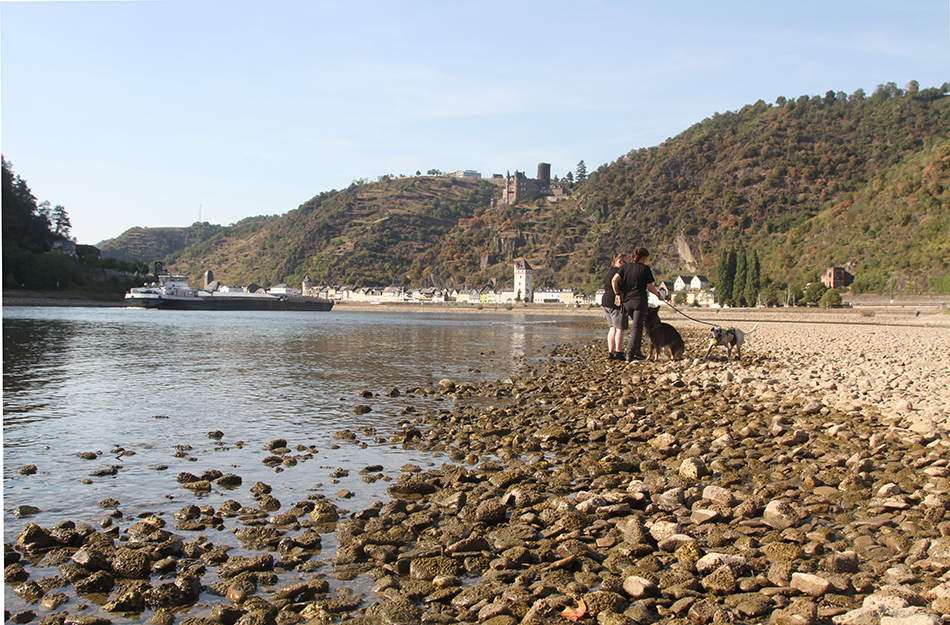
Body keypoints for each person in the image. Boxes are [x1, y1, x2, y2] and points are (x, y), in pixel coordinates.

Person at [611, 247, 662, 362]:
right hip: (639, 301)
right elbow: (650, 287)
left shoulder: (625, 267)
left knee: (636, 327)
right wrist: (658, 295)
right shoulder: (645, 269)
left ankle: (637, 351)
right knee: (637, 328)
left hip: (627, 302)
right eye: (646, 258)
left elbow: (614, 280)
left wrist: (617, 294)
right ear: (644, 258)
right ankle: (630, 353)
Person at [600, 253, 628, 360]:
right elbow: (614, 283)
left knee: (612, 328)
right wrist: (618, 295)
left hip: (606, 301)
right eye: (626, 262)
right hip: (615, 301)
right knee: (620, 328)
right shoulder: (618, 272)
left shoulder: (609, 271)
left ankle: (610, 352)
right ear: (620, 262)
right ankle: (619, 352)